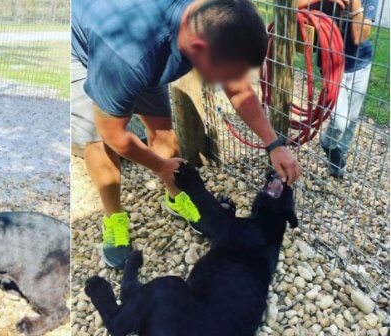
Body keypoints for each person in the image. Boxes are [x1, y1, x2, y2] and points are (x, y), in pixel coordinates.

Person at [71, 0, 302, 268]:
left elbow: (238, 90)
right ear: (198, 49)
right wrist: (159, 166)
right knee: (98, 140)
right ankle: (113, 219)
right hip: (87, 47)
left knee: (164, 134)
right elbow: (113, 134)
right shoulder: (128, 59)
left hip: (142, 45)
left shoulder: (211, 22)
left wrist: (274, 144)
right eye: (224, 73)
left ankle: (175, 197)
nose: (227, 81)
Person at [300, 0, 377, 177]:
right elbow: (292, 4)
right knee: (340, 121)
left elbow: (359, 36)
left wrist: (355, 3)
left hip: (361, 64)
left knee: (351, 120)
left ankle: (336, 165)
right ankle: (328, 144)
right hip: (331, 64)